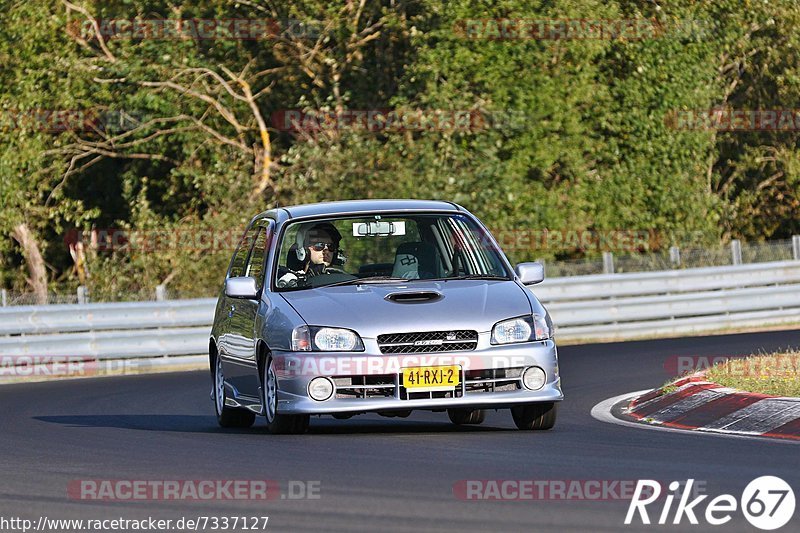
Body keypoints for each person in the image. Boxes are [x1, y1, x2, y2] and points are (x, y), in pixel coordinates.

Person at [277, 222, 344, 288]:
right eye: (319, 245)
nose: (326, 251)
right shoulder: (290, 280)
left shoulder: (344, 279)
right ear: (303, 250)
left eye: (331, 246)